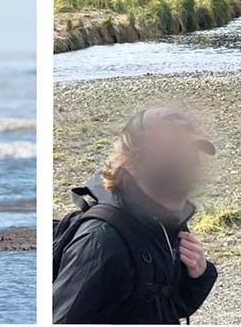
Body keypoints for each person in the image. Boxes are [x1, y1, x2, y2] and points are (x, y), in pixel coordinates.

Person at [53, 107, 218, 324]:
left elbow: (168, 307)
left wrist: (198, 275)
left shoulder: (167, 223)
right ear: (130, 164)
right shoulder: (102, 241)